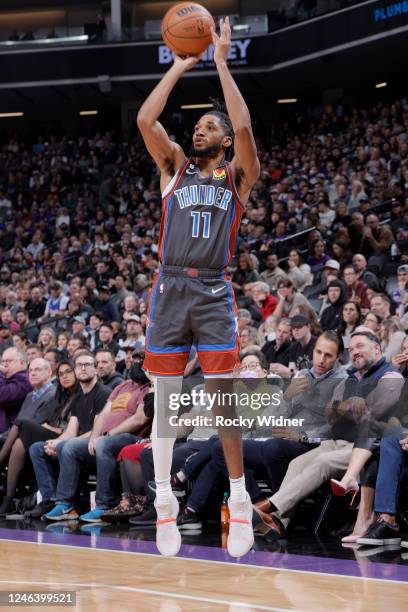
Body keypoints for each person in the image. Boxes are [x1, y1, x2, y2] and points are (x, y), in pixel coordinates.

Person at [137, 16, 260, 557]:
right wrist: (180, 64)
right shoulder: (175, 168)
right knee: (164, 399)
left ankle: (239, 499)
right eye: (198, 128)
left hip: (212, 291)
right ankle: (164, 497)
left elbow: (247, 127)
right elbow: (146, 117)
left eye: (209, 128)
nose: (198, 132)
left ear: (225, 139)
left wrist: (220, 63)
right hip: (169, 287)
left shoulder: (237, 176)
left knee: (223, 401)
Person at [29, 350, 111, 520]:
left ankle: (65, 504)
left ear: (95, 369)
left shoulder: (103, 392)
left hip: (96, 442)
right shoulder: (78, 397)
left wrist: (62, 444)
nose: (83, 368)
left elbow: (98, 430)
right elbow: (71, 430)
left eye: (87, 364)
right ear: (75, 370)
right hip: (79, 442)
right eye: (79, 365)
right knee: (38, 448)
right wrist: (54, 442)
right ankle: (50, 498)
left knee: (68, 446)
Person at [0, 358, 56, 515]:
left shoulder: (54, 393)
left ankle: (9, 499)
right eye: (31, 370)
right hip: (22, 434)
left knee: (19, 437)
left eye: (38, 370)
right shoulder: (30, 395)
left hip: (42, 434)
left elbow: (37, 422)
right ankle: (6, 498)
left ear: (49, 372)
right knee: (12, 440)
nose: (33, 373)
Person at [0, 348, 32, 435]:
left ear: (21, 363)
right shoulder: (9, 378)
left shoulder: (25, 379)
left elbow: (2, 395)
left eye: (9, 361)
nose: (4, 365)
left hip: (9, 430)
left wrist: (1, 373)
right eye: (3, 361)